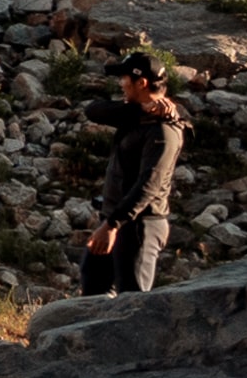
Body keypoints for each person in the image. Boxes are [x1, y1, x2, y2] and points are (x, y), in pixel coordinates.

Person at [77, 59, 187, 298]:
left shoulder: (164, 131)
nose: (120, 84)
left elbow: (148, 186)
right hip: (114, 222)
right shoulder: (135, 116)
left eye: (124, 79)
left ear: (142, 82)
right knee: (93, 288)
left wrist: (111, 226)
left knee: (133, 301)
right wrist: (141, 109)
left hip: (139, 226)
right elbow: (93, 110)